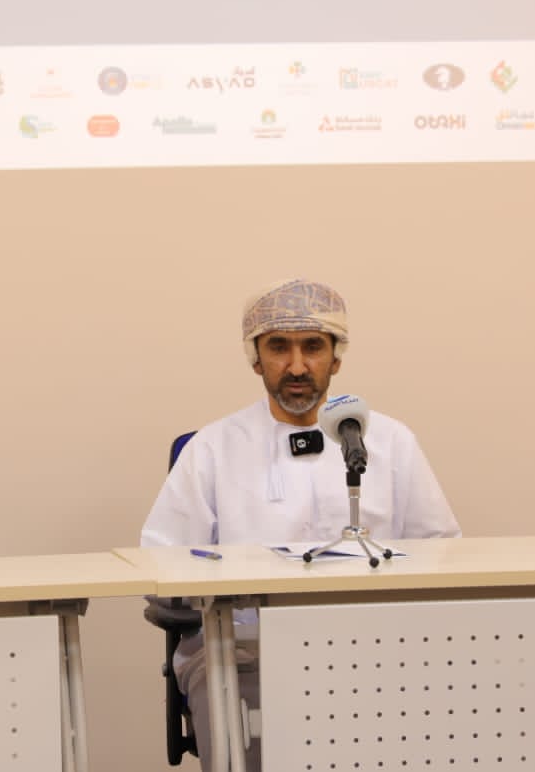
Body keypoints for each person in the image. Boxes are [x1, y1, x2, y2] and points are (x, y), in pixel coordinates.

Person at [140, 278, 460, 772]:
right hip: (243, 652)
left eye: (312, 347)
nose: (296, 366)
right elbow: (160, 565)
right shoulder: (212, 448)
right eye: (278, 347)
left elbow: (443, 554)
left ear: (336, 358)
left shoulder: (391, 443)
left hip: (375, 646)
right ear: (256, 359)